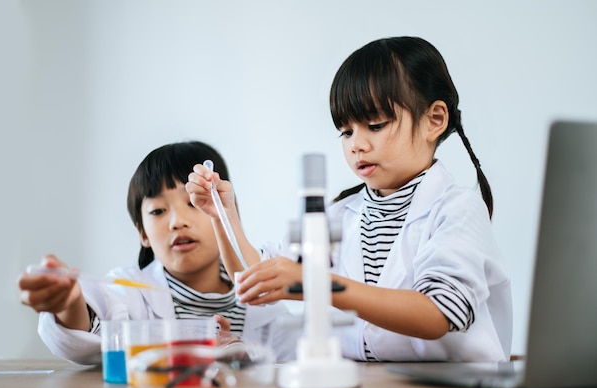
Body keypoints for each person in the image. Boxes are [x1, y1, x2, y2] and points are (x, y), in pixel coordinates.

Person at [187, 37, 512, 362]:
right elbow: (258, 279)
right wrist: (222, 216)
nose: (356, 144)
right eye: (346, 131)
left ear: (435, 120)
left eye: (375, 125)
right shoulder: (338, 215)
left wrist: (316, 283)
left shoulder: (458, 210)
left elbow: (439, 314)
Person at [18, 141, 297, 364]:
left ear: (224, 212)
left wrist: (240, 350)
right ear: (143, 233)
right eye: (158, 211)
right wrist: (68, 302)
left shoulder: (268, 306)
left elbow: (292, 365)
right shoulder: (132, 292)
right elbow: (95, 330)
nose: (177, 221)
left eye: (194, 203)